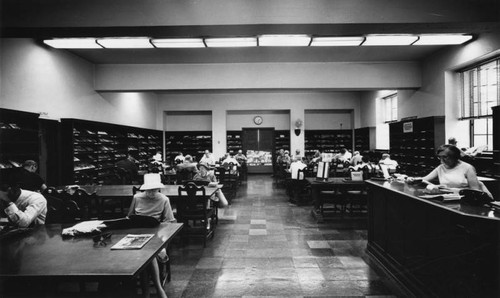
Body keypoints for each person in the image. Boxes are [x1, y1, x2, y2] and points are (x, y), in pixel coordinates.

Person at [127, 173, 175, 298]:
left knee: (149, 253)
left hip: (157, 234)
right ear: (145, 189)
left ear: (159, 189)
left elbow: (169, 220)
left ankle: (148, 292)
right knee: (148, 253)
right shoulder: (137, 198)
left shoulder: (164, 199)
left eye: (155, 190)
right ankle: (158, 290)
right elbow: (130, 216)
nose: (152, 193)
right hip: (137, 233)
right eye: (149, 190)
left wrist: (159, 228)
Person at [414, 145, 492, 198]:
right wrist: (412, 179)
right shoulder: (441, 167)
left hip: (465, 199)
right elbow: (424, 179)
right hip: (448, 198)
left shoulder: (468, 168)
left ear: (455, 157)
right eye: (439, 158)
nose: (442, 161)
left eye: (445, 157)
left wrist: (451, 190)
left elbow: (475, 191)